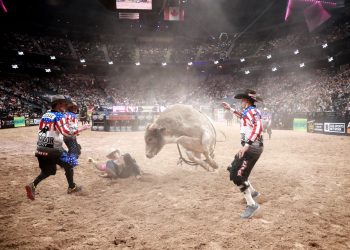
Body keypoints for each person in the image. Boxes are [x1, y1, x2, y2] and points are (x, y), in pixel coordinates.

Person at [25, 95, 91, 200]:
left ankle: (33, 185)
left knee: (49, 171)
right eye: (64, 104)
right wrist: (81, 128)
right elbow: (66, 133)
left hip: (41, 148)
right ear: (58, 104)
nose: (66, 106)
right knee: (70, 163)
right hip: (54, 150)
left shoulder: (46, 114)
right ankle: (71, 187)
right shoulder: (59, 116)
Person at [222, 89, 264, 219]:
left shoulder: (253, 111)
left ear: (246, 100)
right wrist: (231, 109)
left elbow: (258, 127)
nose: (241, 102)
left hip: (252, 148)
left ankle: (252, 205)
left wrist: (247, 145)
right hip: (251, 147)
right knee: (232, 168)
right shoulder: (249, 111)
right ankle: (253, 193)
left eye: (242, 100)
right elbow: (243, 117)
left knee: (237, 176)